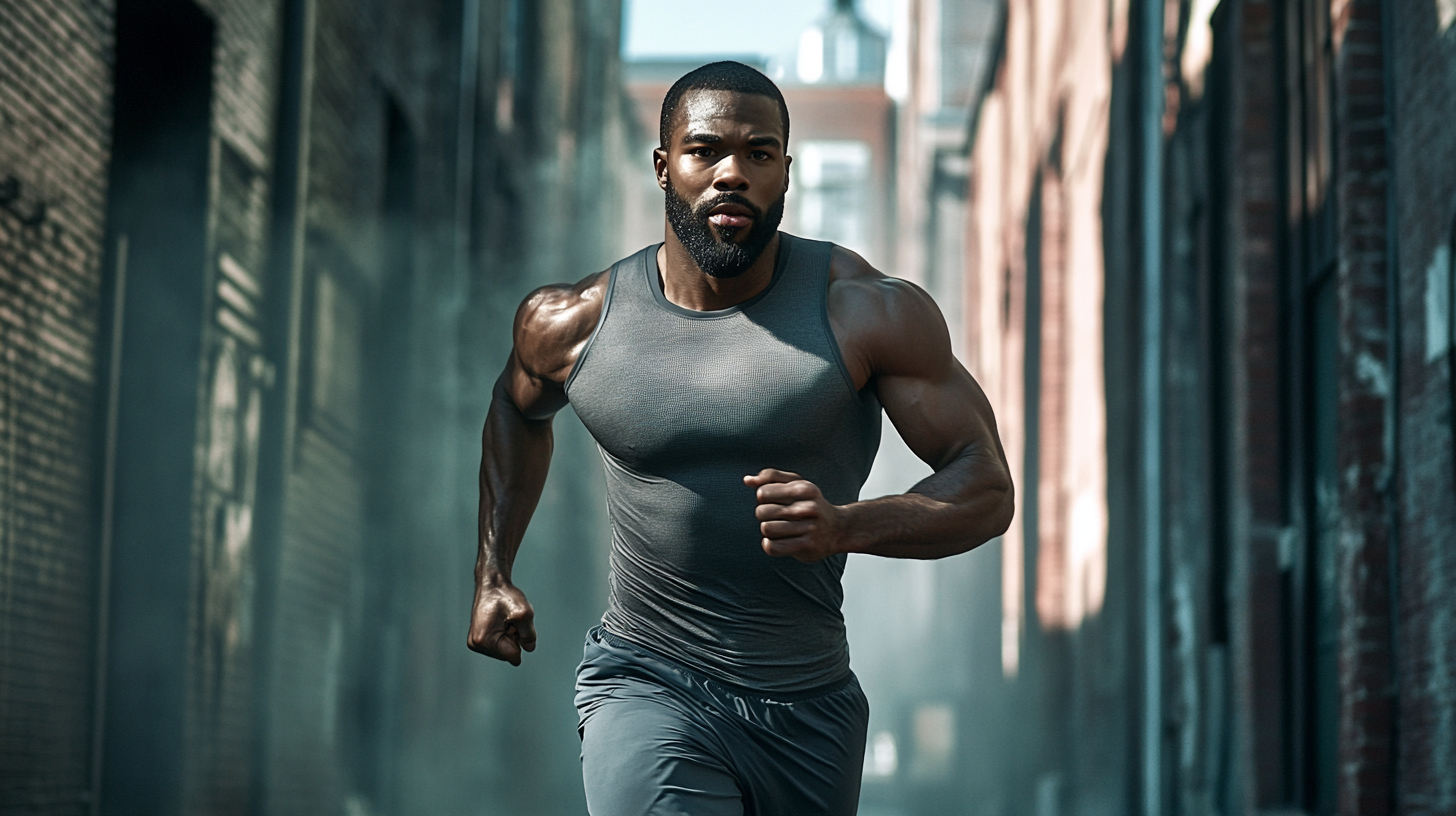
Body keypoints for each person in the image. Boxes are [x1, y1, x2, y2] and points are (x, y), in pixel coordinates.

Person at [467, 60, 1013, 816]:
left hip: (807, 706)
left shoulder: (866, 314)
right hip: (645, 679)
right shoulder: (575, 323)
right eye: (705, 151)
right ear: (664, 167)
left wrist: (846, 526)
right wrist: (493, 570)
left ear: (786, 170)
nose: (732, 174)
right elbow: (515, 409)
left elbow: (985, 487)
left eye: (759, 154)